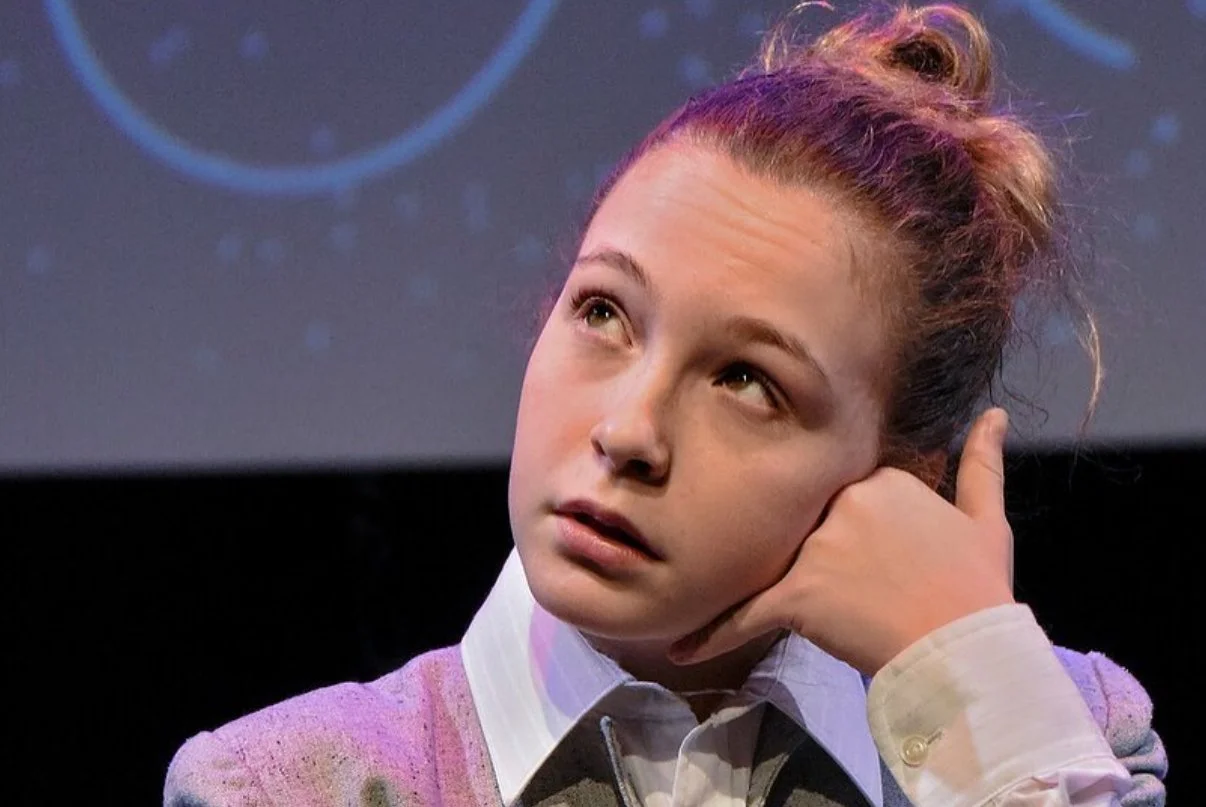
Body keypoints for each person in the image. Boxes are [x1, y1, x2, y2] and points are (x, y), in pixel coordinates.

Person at [165, 4, 1168, 806]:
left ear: (897, 481)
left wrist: (969, 697)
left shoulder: (1069, 733)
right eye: (603, 311)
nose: (628, 433)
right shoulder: (293, 785)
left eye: (747, 381)